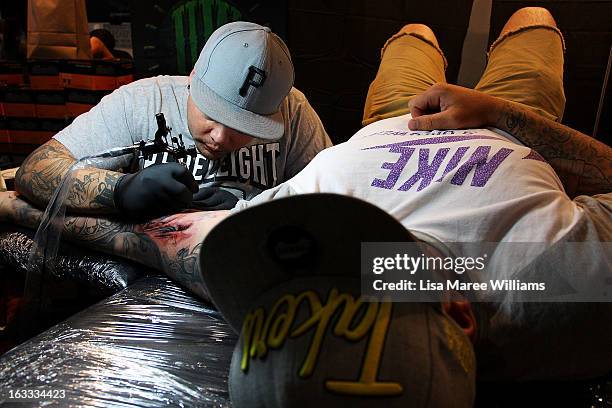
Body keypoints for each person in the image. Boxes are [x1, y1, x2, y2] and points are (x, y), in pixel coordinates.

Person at [1, 5, 610, 385]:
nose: (221, 138)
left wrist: (32, 203)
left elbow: (161, 241)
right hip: (500, 123)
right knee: (533, 21)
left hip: (393, 120)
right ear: (459, 313)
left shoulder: (323, 261)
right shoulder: (558, 277)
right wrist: (500, 113)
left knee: (410, 36)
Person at [14, 21, 332, 216]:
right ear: (194, 76)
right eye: (211, 113)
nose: (220, 137)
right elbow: (34, 171)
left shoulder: (293, 111)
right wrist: (121, 190)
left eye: (242, 128)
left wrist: (256, 213)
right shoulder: (141, 101)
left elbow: (336, 201)